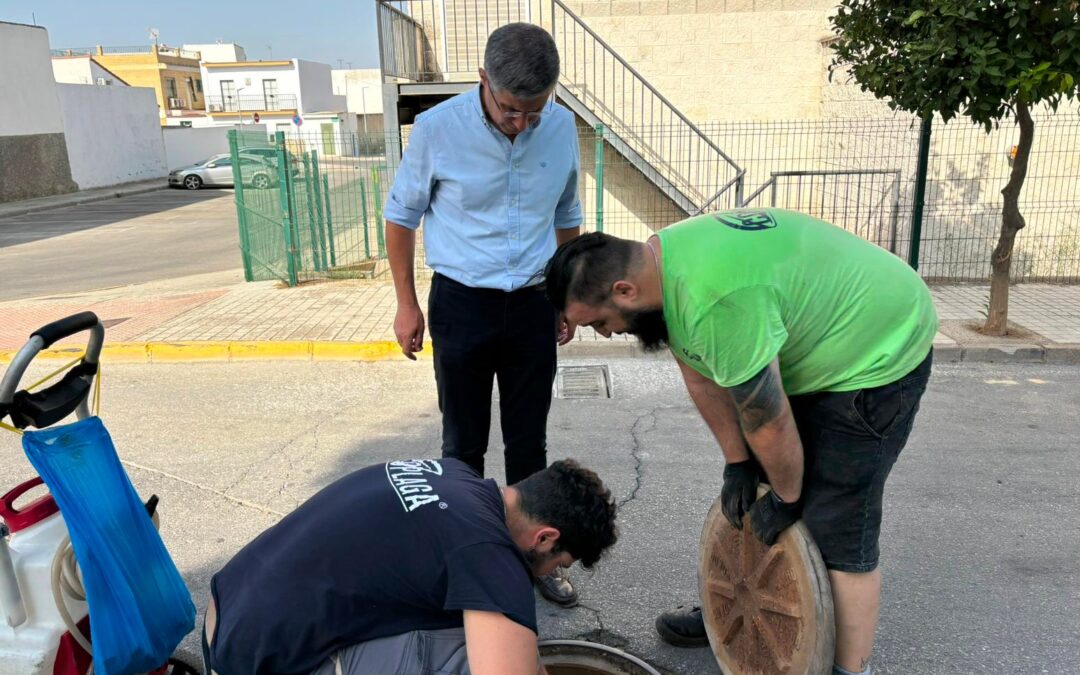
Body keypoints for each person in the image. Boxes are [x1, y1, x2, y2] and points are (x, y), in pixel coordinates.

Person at [542, 208, 937, 675]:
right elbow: (702, 376)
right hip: (811, 341)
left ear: (624, 291)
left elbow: (767, 419)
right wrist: (738, 462)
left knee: (838, 524)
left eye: (600, 322)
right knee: (753, 497)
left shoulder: (712, 301)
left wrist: (789, 496)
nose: (607, 334)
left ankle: (848, 670)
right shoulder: (660, 267)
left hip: (875, 355)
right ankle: (732, 613)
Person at [385, 22, 583, 606]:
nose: (522, 124)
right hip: (461, 304)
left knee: (529, 445)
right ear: (483, 81)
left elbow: (567, 212)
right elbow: (401, 217)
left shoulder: (562, 127)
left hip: (532, 305)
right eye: (510, 110)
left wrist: (565, 296)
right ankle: (462, 559)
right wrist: (405, 302)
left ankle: (534, 561)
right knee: (462, 446)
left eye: (535, 112)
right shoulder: (436, 129)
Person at [202, 458, 618, 675]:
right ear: (544, 537)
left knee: (483, 632)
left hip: (227, 614)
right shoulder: (489, 555)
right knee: (473, 657)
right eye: (558, 563)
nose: (548, 574)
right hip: (254, 661)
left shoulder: (455, 478)